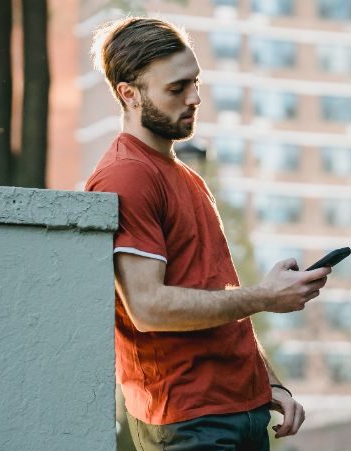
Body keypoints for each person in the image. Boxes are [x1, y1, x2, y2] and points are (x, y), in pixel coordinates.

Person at [86, 17, 331, 451]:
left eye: (195, 82)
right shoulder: (126, 176)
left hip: (242, 409)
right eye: (177, 89)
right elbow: (148, 307)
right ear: (129, 93)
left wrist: (270, 384)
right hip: (187, 420)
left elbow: (214, 296)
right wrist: (265, 297)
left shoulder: (188, 178)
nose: (195, 97)